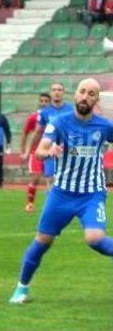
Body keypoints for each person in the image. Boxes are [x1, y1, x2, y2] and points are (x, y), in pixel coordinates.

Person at [9, 78, 113, 304]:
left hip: (91, 194)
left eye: (91, 94)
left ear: (96, 100)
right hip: (61, 194)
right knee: (42, 240)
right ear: (75, 95)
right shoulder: (59, 122)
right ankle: (21, 288)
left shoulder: (105, 127)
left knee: (95, 238)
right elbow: (40, 151)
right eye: (82, 92)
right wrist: (50, 151)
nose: (85, 96)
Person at [25, 83, 73, 182]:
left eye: (59, 90)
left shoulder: (71, 110)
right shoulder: (45, 112)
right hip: (51, 150)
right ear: (51, 93)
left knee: (68, 182)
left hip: (68, 150)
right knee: (51, 180)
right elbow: (37, 133)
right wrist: (28, 151)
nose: (57, 92)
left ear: (63, 92)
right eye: (54, 90)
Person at [20, 92, 52, 213]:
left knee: (52, 179)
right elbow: (25, 133)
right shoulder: (33, 117)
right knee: (36, 177)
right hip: (36, 152)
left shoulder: (55, 117)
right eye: (42, 101)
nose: (44, 103)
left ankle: (51, 205)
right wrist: (24, 151)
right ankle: (30, 203)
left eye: (46, 101)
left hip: (50, 151)